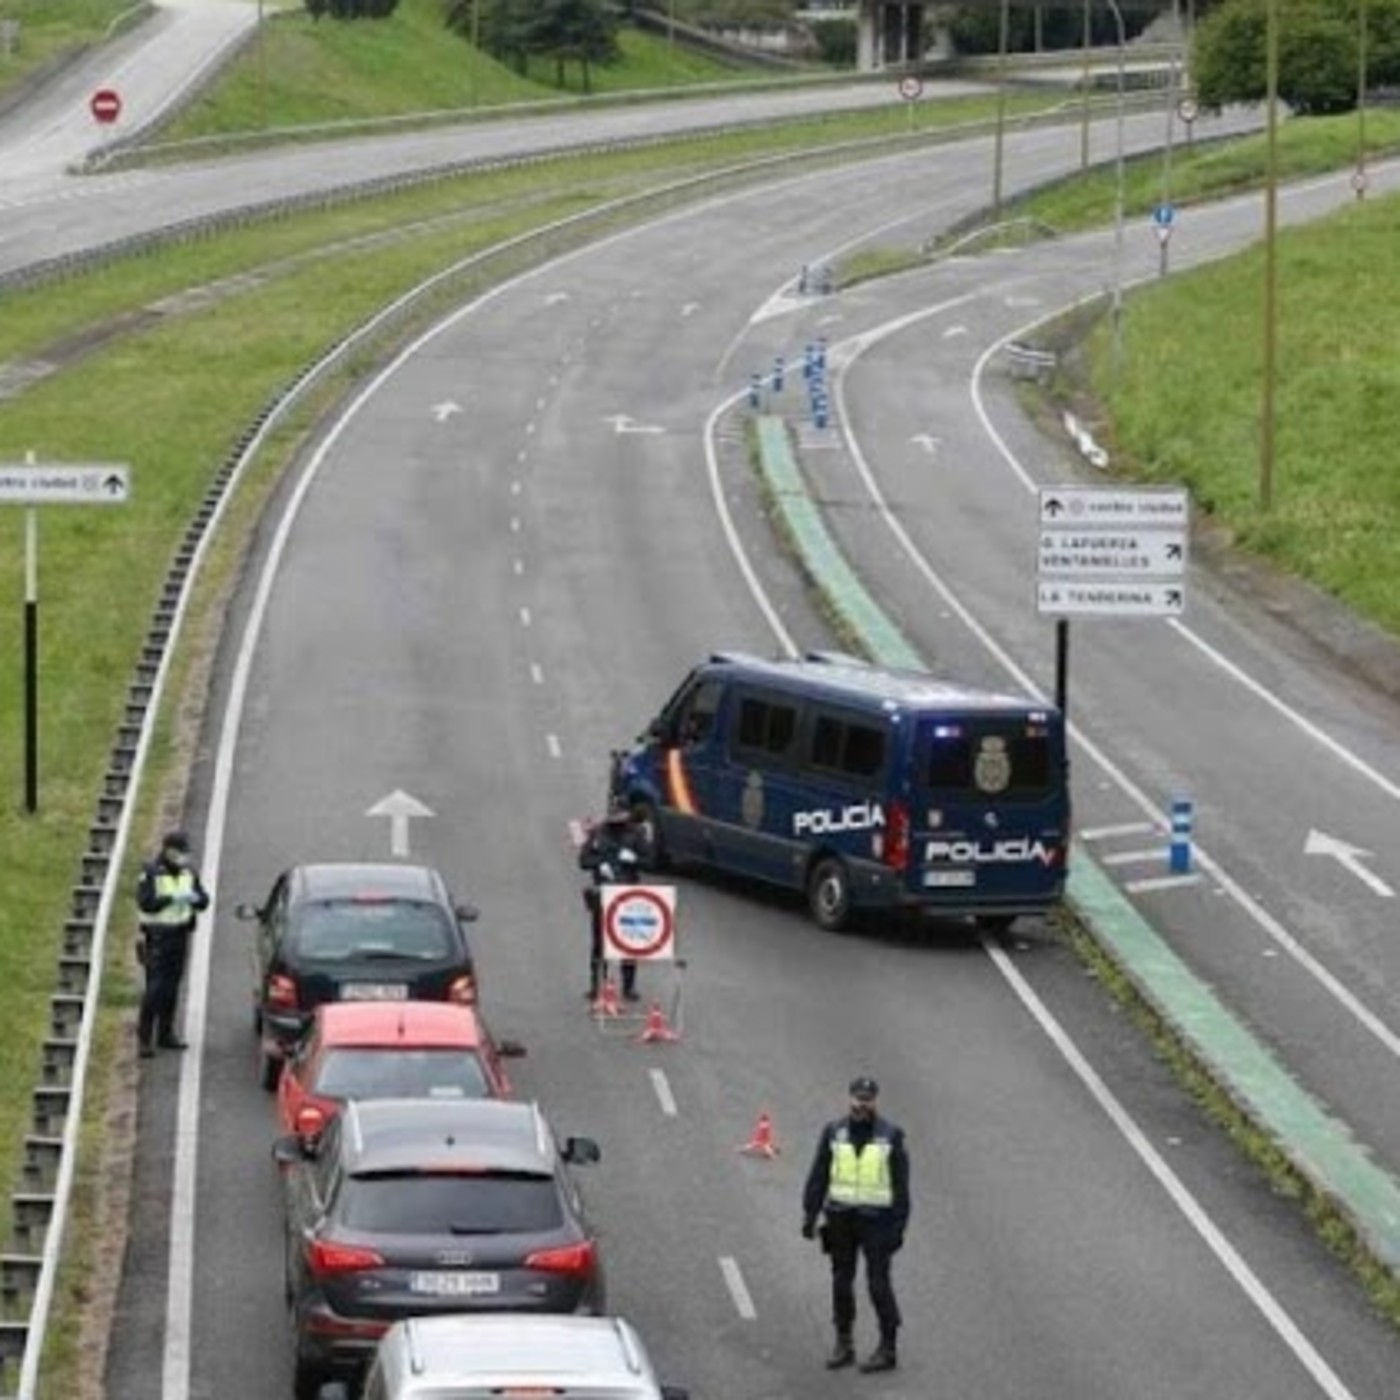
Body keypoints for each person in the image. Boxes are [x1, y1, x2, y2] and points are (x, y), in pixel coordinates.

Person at [801, 1076, 910, 1373]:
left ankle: (888, 1348)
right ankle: (844, 1343)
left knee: (878, 1285)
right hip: (840, 1219)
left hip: (877, 1222)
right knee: (841, 1283)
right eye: (858, 1098)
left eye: (867, 1099)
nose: (862, 1104)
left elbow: (901, 1189)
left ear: (876, 1101)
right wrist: (810, 1214)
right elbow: (819, 1174)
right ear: (849, 1099)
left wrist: (898, 1229)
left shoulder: (891, 1136)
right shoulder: (834, 1133)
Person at [135, 829, 210, 1058]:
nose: (184, 857)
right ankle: (144, 1038)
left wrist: (196, 899)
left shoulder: (188, 873)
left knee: (172, 987)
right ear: (168, 851)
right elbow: (146, 902)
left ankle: (166, 1034)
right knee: (155, 988)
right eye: (180, 852)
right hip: (157, 937)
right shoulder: (151, 873)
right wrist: (171, 898)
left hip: (179, 935)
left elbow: (203, 900)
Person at [577, 805, 645, 1002]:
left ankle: (629, 987)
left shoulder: (637, 833)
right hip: (603, 893)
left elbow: (648, 860)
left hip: (628, 894)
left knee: (629, 941)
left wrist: (633, 860)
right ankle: (596, 985)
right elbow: (583, 860)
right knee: (599, 941)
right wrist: (600, 863)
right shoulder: (598, 832)